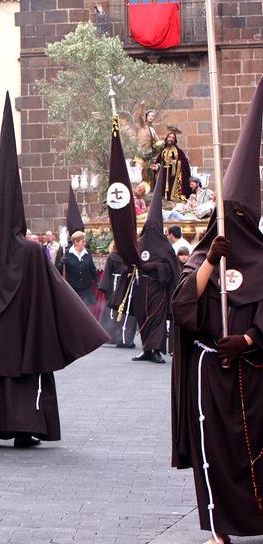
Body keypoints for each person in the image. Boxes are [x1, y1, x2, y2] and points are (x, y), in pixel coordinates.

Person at [0, 94, 107, 450]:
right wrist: (83, 327)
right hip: (23, 338)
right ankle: (25, 428)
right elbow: (55, 294)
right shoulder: (33, 251)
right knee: (23, 376)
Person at [171, 77, 263, 544]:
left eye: (242, 219)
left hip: (254, 373)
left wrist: (247, 339)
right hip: (211, 373)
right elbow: (182, 305)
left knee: (255, 450)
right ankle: (220, 528)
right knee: (216, 452)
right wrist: (211, 260)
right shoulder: (202, 258)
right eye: (230, 219)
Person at [131, 177, 180, 364]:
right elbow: (130, 261)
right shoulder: (139, 243)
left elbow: (171, 269)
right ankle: (146, 349)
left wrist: (156, 267)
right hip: (141, 286)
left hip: (158, 289)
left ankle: (156, 350)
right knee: (143, 317)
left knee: (157, 318)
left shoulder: (165, 247)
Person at [98, 241, 137, 348]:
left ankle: (124, 337)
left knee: (125, 312)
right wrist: (106, 288)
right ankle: (111, 337)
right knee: (113, 311)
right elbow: (107, 273)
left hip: (127, 285)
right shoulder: (113, 257)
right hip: (115, 285)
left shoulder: (131, 257)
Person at [57, 231, 99, 306]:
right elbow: (58, 271)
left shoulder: (87, 253)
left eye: (85, 241)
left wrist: (97, 281)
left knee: (86, 309)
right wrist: (61, 263)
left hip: (86, 289)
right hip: (72, 289)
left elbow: (92, 268)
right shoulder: (66, 253)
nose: (85, 243)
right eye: (83, 241)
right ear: (76, 242)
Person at [151, 131, 192, 202]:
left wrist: (173, 162)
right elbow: (160, 161)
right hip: (164, 175)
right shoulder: (163, 151)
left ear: (175, 140)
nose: (171, 139)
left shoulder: (178, 152)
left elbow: (184, 164)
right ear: (166, 138)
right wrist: (157, 166)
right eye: (169, 137)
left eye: (173, 138)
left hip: (173, 176)